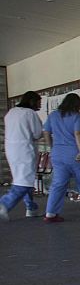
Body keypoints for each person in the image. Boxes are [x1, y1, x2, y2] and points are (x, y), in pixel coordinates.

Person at [42, 93, 80, 222]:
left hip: (57, 154)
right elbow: (78, 133)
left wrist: (52, 147)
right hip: (74, 154)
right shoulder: (77, 117)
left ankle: (50, 213)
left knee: (58, 184)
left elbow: (46, 132)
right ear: (77, 105)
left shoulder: (53, 115)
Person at [0, 91, 44, 221]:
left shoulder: (11, 112)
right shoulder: (30, 113)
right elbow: (36, 134)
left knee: (22, 178)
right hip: (25, 150)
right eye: (38, 102)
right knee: (24, 182)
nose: (39, 105)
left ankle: (31, 208)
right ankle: (5, 204)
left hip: (11, 150)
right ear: (31, 101)